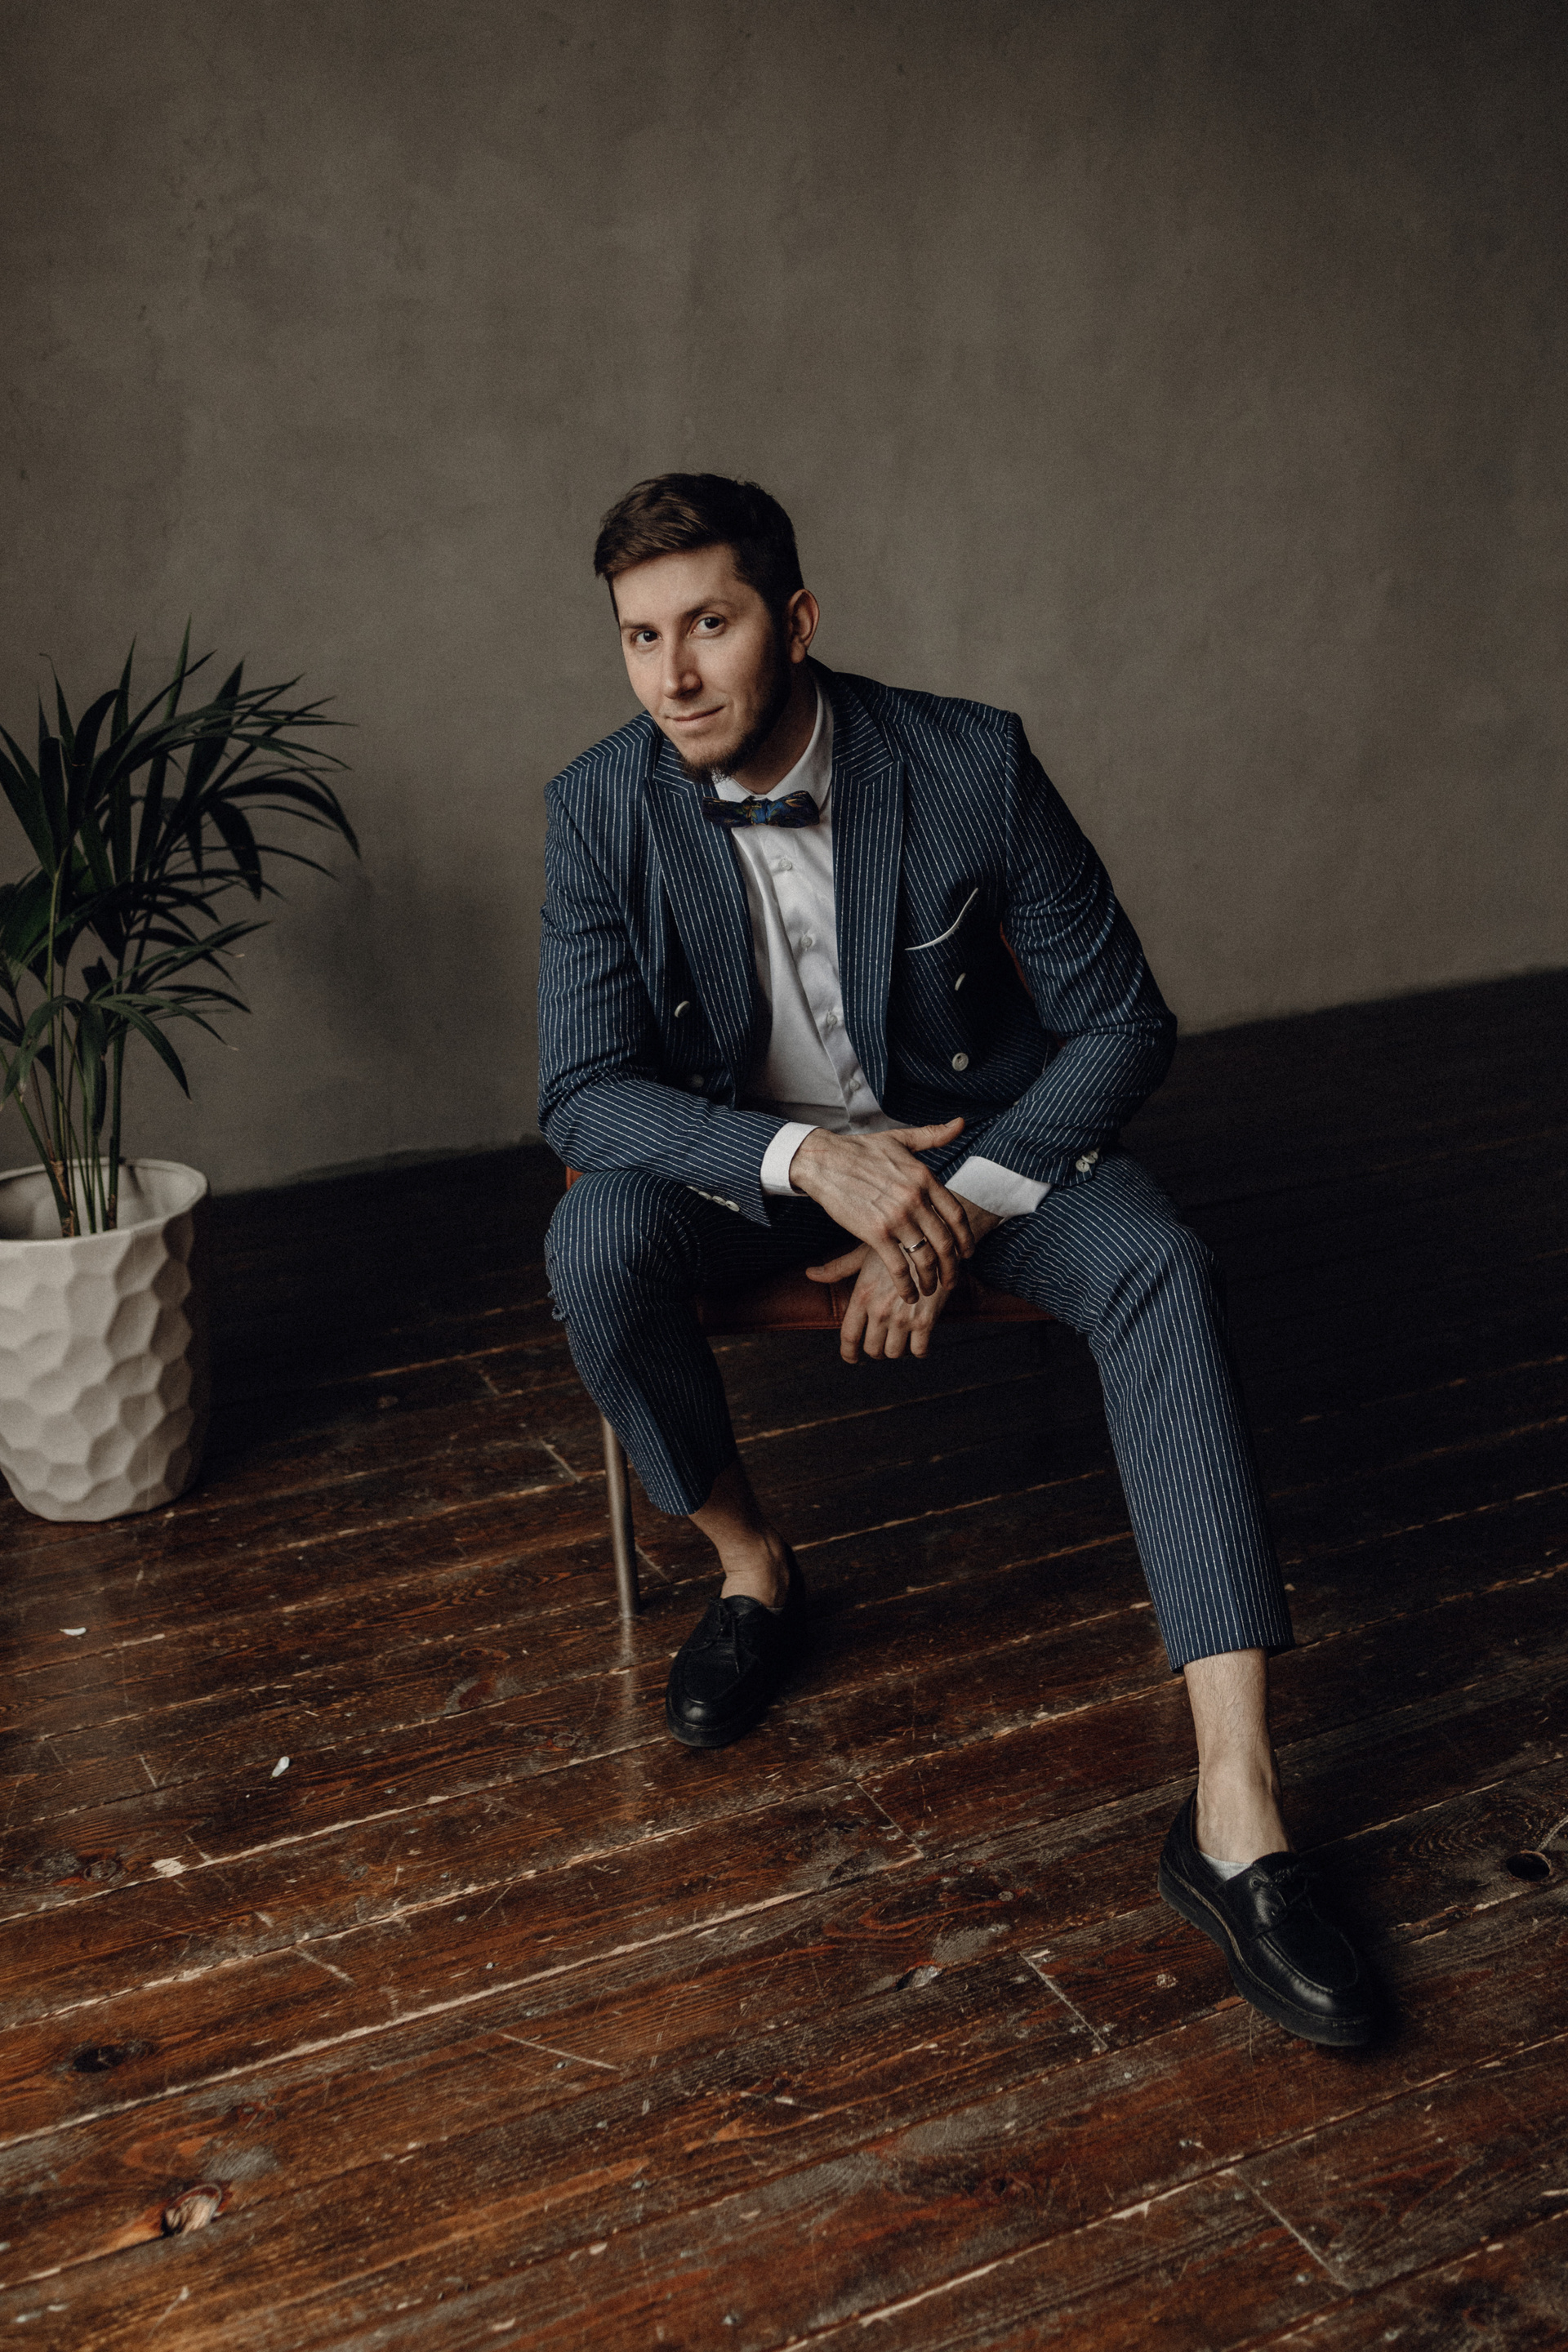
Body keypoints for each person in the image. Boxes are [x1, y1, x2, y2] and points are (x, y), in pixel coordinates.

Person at [539, 473, 1373, 2047]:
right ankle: (751, 1569)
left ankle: (1236, 1813)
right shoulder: (600, 807)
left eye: (709, 625)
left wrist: (954, 1207)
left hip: (976, 1155)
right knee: (593, 1239)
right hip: (757, 1174)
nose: (675, 677)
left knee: (1161, 1266)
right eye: (642, 638)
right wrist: (808, 1162)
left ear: (794, 621)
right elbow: (581, 1093)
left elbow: (1121, 1024)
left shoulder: (967, 761)